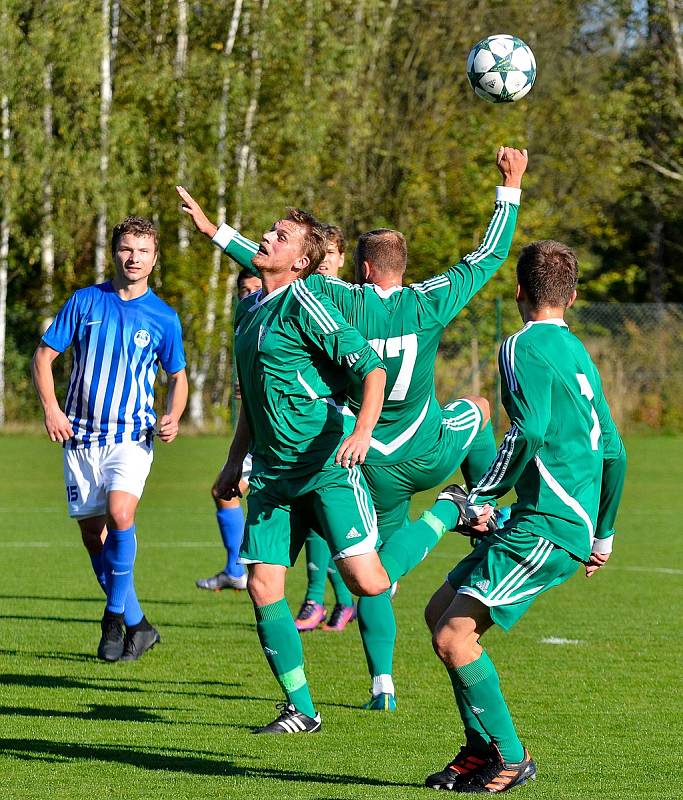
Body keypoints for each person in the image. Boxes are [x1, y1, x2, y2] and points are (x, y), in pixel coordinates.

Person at [176, 146, 527, 710]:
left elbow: (288, 275)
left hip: (358, 457)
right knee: (478, 408)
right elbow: (486, 259)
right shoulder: (428, 301)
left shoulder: (329, 295)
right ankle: (489, 509)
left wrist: (218, 232)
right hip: (420, 444)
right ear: (401, 265)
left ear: (360, 268)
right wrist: (509, 188)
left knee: (373, 581)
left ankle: (452, 526)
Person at [422, 240, 627, 792]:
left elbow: (528, 431)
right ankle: (478, 751)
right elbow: (615, 451)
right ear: (574, 296)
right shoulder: (579, 352)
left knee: (454, 638)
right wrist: (602, 535)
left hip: (547, 527)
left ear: (517, 291)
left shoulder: (519, 346)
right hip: (557, 521)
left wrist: (480, 494)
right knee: (439, 611)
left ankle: (511, 758)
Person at [31, 216, 188, 662]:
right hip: (79, 437)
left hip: (130, 436)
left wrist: (173, 415)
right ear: (114, 252)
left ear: (155, 259)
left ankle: (114, 618)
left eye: (143, 251)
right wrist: (51, 409)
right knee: (92, 536)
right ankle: (139, 625)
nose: (133, 258)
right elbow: (43, 357)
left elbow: (178, 377)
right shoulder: (84, 302)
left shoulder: (163, 317)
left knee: (121, 514)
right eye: (126, 248)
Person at [293, 225, 358, 633]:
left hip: (350, 420)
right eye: (323, 252)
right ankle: (317, 599)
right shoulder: (304, 298)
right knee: (313, 511)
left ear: (342, 258)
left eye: (333, 252)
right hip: (316, 420)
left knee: (333, 516)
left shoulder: (350, 298)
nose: (327, 260)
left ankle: (346, 598)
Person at [196, 268, 261, 592]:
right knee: (224, 491)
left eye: (255, 289)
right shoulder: (244, 322)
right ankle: (236, 569)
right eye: (243, 291)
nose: (249, 296)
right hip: (257, 431)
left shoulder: (282, 312)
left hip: (284, 431)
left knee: (312, 516)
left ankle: (331, 592)